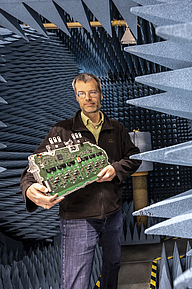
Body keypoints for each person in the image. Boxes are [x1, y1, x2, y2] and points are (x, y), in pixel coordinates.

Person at [20, 72, 141, 289]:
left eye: (92, 92)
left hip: (113, 214)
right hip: (78, 218)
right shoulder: (62, 131)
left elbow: (133, 158)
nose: (88, 98)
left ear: (101, 94)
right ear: (76, 97)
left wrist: (115, 169)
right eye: (82, 93)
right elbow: (33, 169)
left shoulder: (116, 128)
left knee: (112, 265)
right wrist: (29, 189)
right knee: (77, 280)